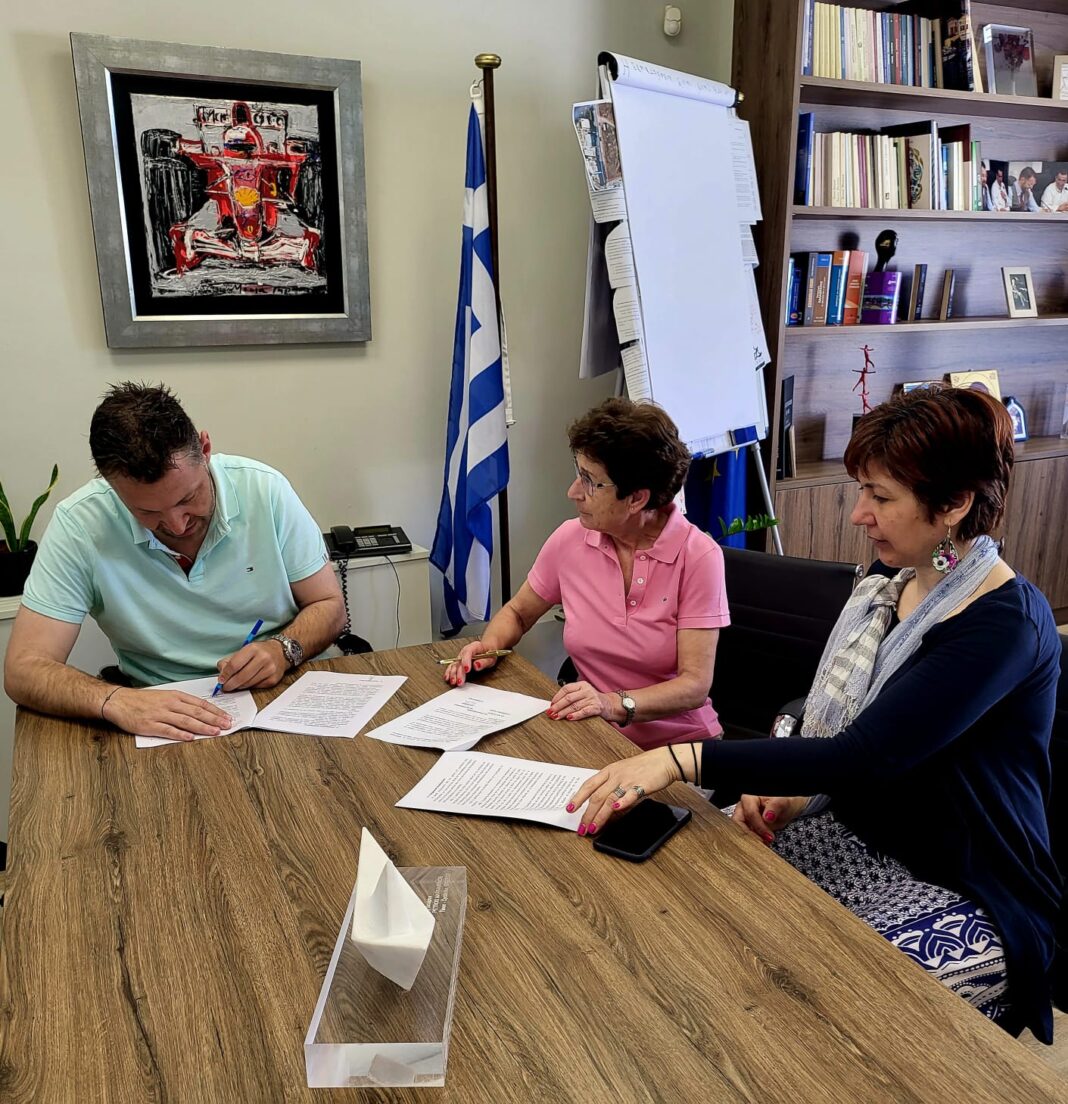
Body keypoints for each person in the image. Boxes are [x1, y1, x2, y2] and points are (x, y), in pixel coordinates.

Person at [568, 387, 1061, 1042]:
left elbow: (864, 754)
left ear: (954, 505)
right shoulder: (894, 583)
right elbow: (848, 739)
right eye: (862, 490)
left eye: (881, 496)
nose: (860, 514)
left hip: (964, 880)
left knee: (806, 1015)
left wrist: (677, 758)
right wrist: (798, 795)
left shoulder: (1002, 625)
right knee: (693, 927)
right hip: (858, 829)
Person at [4, 383, 345, 743]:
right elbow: (24, 669)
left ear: (206, 450)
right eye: (146, 512)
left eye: (189, 498)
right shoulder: (81, 524)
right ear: (111, 487)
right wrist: (115, 700)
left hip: (289, 690)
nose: (177, 525)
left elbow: (329, 605)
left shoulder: (265, 490)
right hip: (162, 710)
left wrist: (284, 649)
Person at [444, 397, 728, 750]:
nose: (573, 492)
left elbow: (694, 685)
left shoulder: (699, 557)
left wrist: (610, 703)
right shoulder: (570, 538)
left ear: (636, 499)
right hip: (594, 737)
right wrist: (489, 646)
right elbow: (518, 613)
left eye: (590, 481)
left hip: (679, 748)